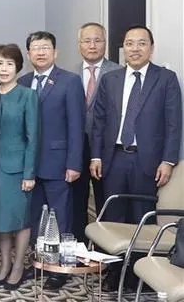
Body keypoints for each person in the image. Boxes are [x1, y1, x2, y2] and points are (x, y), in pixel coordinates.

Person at [91, 24, 182, 291]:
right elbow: (99, 122)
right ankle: (115, 273)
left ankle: (138, 275)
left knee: (143, 218)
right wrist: (95, 156)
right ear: (123, 49)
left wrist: (168, 161)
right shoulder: (111, 80)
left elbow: (174, 124)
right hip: (114, 158)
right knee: (113, 219)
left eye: (141, 43)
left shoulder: (165, 78)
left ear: (151, 48)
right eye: (129, 43)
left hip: (148, 162)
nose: (135, 49)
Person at [17, 31, 85, 290]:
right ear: (28, 53)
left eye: (46, 47)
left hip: (58, 164)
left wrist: (74, 163)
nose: (41, 52)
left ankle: (61, 268)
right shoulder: (22, 82)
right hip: (29, 166)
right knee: (36, 218)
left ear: (55, 52)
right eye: (35, 48)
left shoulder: (69, 81)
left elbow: (76, 126)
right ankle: (42, 263)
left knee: (61, 218)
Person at [0, 43, 39, 290]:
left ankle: (19, 266)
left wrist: (29, 173)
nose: (4, 68)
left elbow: (33, 137)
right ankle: (4, 265)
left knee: (19, 220)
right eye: (0, 63)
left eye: (9, 64)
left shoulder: (28, 95)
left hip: (18, 170)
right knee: (0, 220)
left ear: (19, 67)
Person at [72, 22, 120, 244]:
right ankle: (79, 250)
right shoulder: (69, 74)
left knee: (106, 201)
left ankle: (104, 255)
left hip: (106, 148)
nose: (92, 45)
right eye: (86, 40)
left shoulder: (119, 73)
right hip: (75, 147)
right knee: (76, 201)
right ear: (79, 44)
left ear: (105, 42)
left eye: (97, 40)